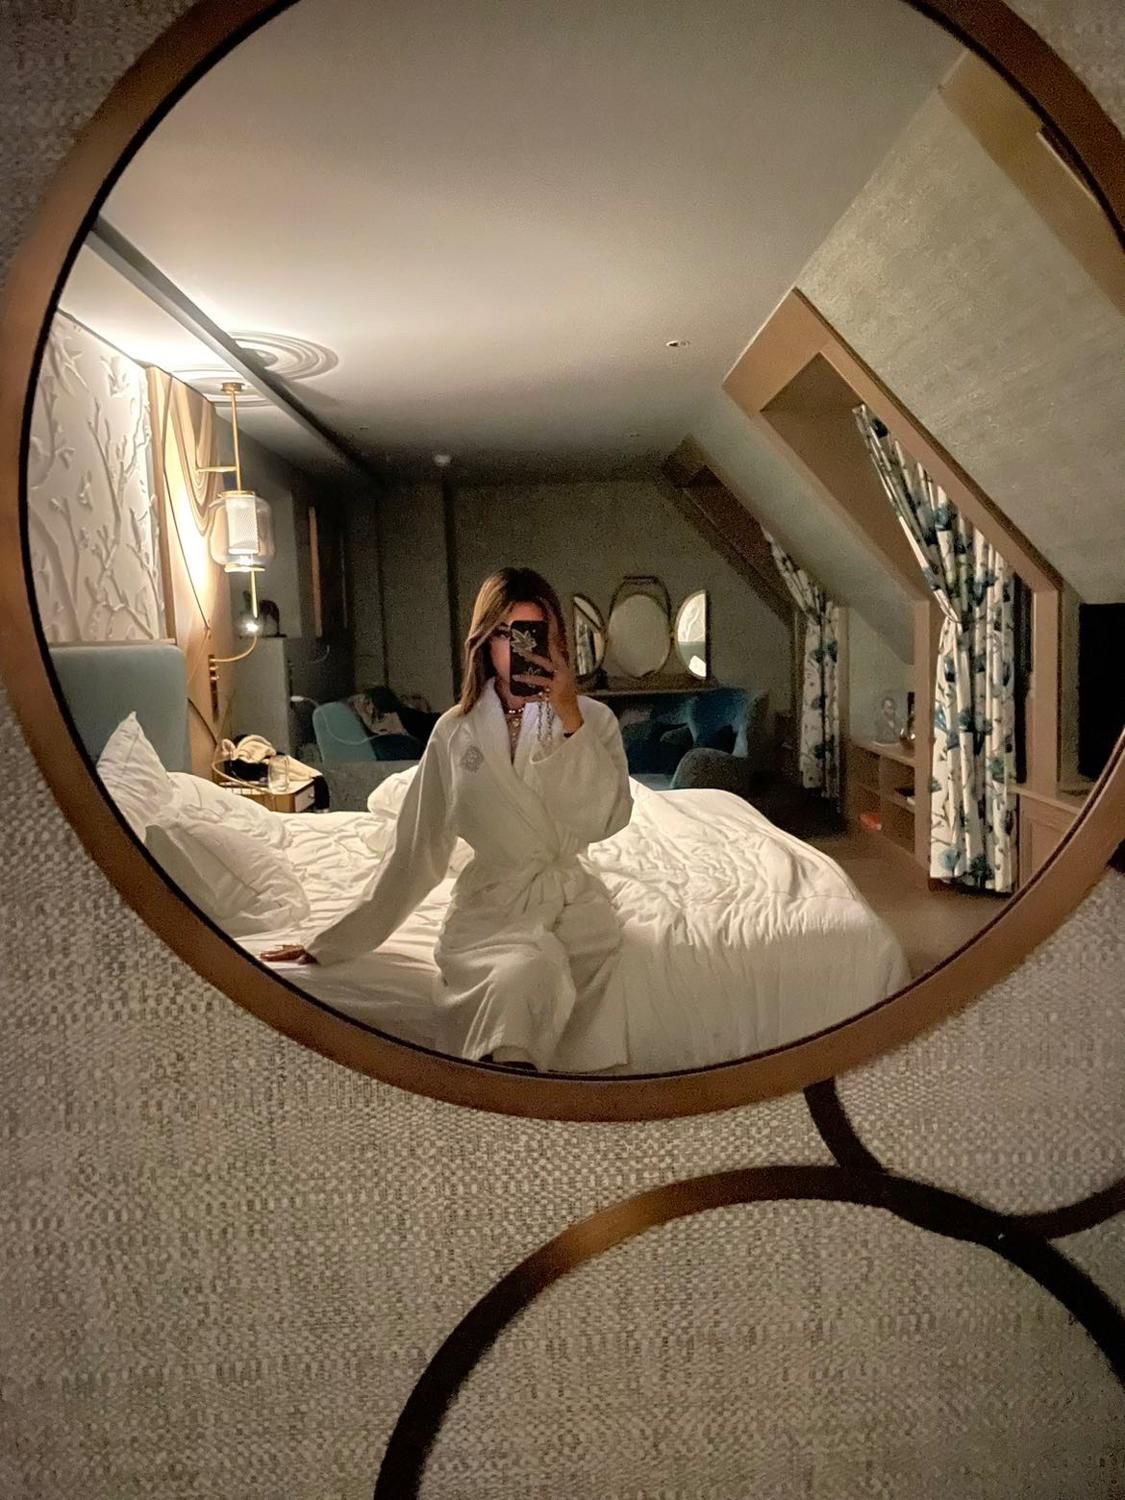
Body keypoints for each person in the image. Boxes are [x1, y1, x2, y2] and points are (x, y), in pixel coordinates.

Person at [263, 567, 633, 1071]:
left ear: (556, 641)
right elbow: (416, 850)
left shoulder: (590, 719)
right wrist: (330, 942)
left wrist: (568, 716)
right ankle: (509, 1096)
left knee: (554, 969)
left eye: (532, 633)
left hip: (573, 910)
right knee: (523, 973)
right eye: (505, 634)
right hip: (492, 911)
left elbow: (605, 820)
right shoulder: (454, 732)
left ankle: (556, 1100)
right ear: (484, 643)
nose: (517, 650)